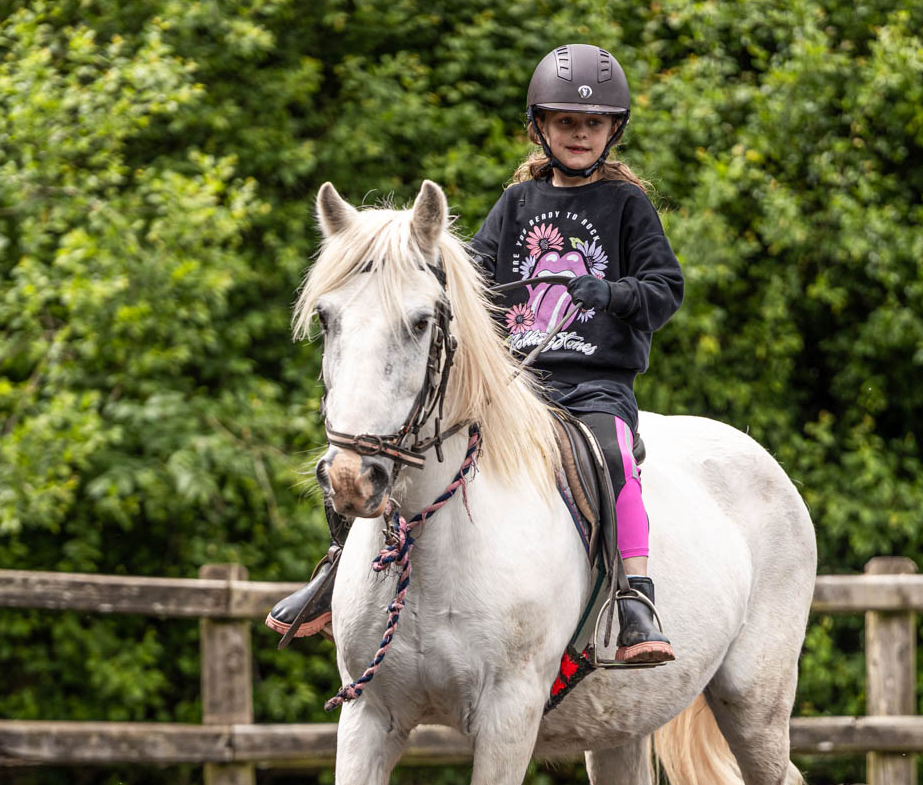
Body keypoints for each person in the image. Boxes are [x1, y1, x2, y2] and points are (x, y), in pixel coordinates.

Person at [269, 42, 682, 666]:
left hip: (593, 385)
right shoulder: (516, 205)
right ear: (540, 126)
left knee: (615, 455)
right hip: (515, 382)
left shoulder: (628, 207)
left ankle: (634, 596)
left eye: (592, 124)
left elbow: (665, 289)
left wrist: (611, 292)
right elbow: (470, 284)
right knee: (395, 441)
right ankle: (339, 569)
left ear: (612, 131)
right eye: (565, 122)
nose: (578, 134)